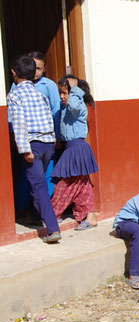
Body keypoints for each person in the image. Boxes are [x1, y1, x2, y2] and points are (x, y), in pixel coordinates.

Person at [6, 54, 61, 243]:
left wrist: (24, 150)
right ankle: (37, 216)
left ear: (14, 73)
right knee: (37, 185)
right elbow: (49, 117)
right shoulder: (39, 93)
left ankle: (53, 229)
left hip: (33, 146)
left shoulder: (15, 95)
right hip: (47, 144)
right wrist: (52, 140)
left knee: (38, 187)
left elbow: (19, 124)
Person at [50, 75, 98, 230]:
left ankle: (52, 214)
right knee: (82, 184)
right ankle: (89, 215)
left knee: (64, 184)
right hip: (72, 148)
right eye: (61, 93)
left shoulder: (78, 106)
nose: (62, 97)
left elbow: (75, 107)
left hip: (76, 148)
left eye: (65, 93)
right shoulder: (65, 108)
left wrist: (75, 90)